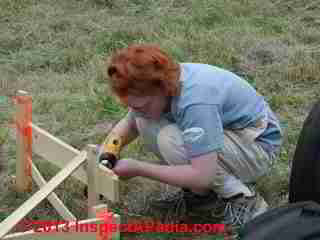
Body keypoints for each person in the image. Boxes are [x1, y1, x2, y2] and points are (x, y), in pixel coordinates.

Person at [99, 43, 283, 228]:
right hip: (231, 134)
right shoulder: (159, 84)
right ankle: (203, 197)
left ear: (162, 89)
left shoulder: (195, 102)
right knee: (143, 122)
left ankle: (243, 199)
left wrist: (138, 169)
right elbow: (130, 124)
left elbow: (203, 176)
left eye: (141, 106)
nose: (136, 110)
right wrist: (107, 152)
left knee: (170, 140)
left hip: (257, 146)